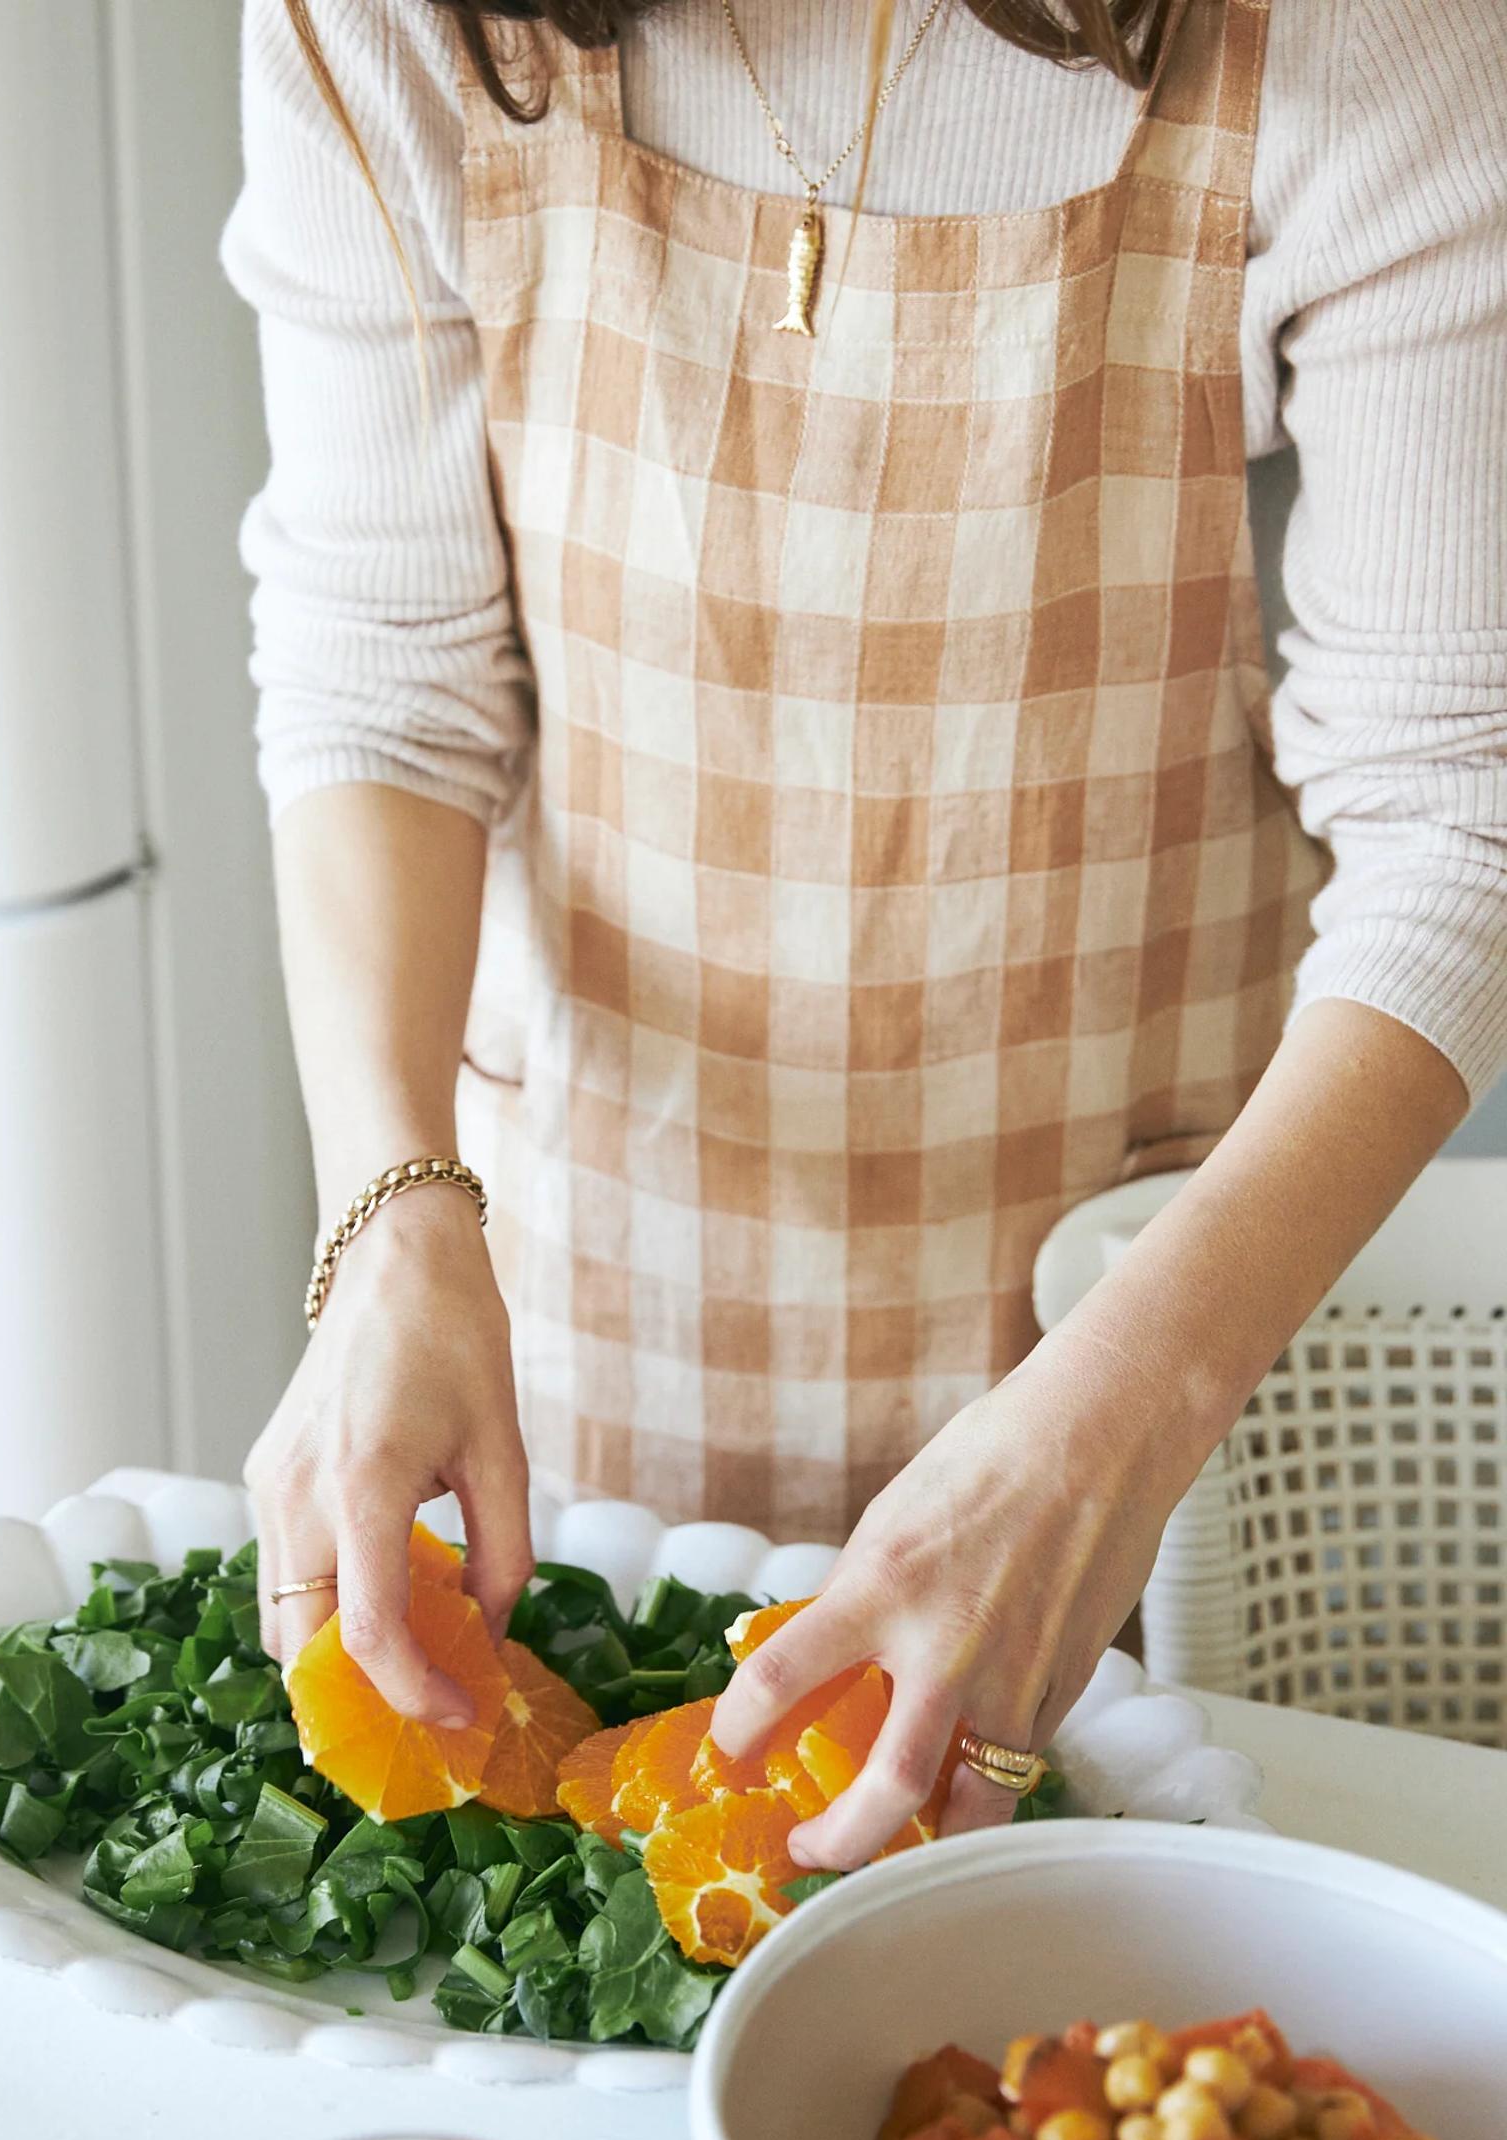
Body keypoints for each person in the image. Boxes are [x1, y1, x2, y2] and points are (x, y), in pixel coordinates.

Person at [225, 0, 1507, 1871]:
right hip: (592, 1287)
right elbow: (383, 681)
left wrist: (1123, 1407)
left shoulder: (1365, 35)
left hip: (1151, 1327)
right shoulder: (397, 26)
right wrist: (390, 1212)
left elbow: (1461, 812)